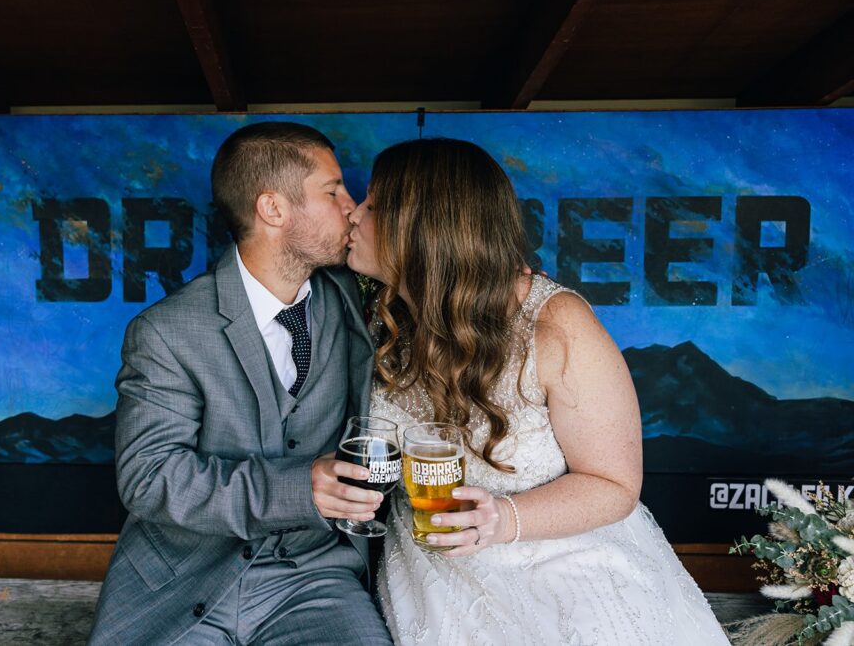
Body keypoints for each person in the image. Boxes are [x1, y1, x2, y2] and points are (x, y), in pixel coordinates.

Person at [345, 138, 730, 645]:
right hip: (434, 559)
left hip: (562, 553)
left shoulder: (554, 323)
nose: (352, 214)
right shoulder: (374, 313)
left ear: (420, 228)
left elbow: (614, 483)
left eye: (371, 204)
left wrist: (502, 520)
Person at [88, 122, 393, 645]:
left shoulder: (357, 295)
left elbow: (444, 268)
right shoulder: (165, 331)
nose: (352, 205)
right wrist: (300, 488)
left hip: (314, 580)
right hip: (183, 583)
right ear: (273, 209)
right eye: (333, 190)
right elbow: (149, 478)